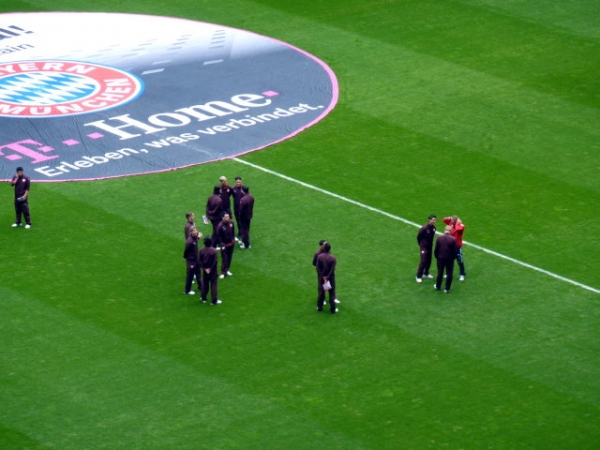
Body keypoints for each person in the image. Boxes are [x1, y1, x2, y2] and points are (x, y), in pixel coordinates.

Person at [312, 240, 340, 304]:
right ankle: (322, 299)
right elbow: (314, 263)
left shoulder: (328, 252)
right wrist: (321, 269)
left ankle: (333, 298)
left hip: (329, 273)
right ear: (321, 246)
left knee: (332, 286)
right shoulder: (317, 253)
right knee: (321, 287)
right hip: (322, 273)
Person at [434, 226, 458, 293]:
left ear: (444, 230)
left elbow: (436, 249)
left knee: (440, 272)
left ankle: (438, 286)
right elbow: (455, 251)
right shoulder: (453, 239)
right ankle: (447, 289)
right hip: (449, 259)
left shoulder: (439, 237)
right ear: (451, 231)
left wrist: (437, 256)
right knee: (449, 273)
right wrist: (453, 258)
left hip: (440, 258)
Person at [316, 242, 338, 313]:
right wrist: (327, 277)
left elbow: (318, 268)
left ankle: (319, 307)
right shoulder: (333, 258)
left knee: (321, 293)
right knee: (332, 294)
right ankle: (332, 309)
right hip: (330, 278)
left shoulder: (320, 257)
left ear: (324, 248)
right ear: (329, 249)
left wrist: (323, 277)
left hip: (321, 278)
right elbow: (332, 269)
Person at [198, 236, 221, 305]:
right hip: (213, 271)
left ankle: (203, 298)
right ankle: (214, 300)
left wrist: (205, 268)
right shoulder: (214, 251)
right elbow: (215, 261)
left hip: (205, 271)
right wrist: (210, 269)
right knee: (213, 285)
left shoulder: (201, 250)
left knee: (205, 284)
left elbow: (199, 261)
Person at [443, 215, 466, 281]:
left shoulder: (460, 225)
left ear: (456, 221)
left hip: (457, 247)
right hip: (450, 246)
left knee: (460, 261)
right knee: (449, 261)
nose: (451, 221)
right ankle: (449, 273)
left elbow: (458, 229)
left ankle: (462, 274)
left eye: (453, 220)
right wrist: (450, 218)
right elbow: (444, 220)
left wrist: (457, 223)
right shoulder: (451, 223)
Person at [416, 215, 436, 283]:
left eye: (435, 220)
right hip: (424, 246)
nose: (434, 221)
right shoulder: (424, 228)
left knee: (429, 260)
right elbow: (419, 237)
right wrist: (421, 244)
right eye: (433, 220)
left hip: (430, 246)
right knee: (423, 260)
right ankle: (418, 276)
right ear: (429, 220)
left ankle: (426, 273)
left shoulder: (434, 228)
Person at [216, 212, 236, 278]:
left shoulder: (231, 223)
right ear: (223, 218)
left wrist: (233, 239)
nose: (228, 218)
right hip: (224, 244)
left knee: (229, 257)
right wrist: (221, 244)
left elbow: (233, 232)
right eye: (226, 217)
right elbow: (218, 236)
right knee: (225, 258)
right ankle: (223, 272)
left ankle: (227, 270)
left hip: (231, 243)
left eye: (228, 217)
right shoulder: (220, 226)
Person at [183, 227, 201, 295]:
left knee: (198, 273)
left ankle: (200, 287)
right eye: (194, 231)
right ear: (191, 232)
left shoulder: (195, 238)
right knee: (190, 275)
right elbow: (186, 251)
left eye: (196, 230)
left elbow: (197, 237)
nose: (196, 232)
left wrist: (199, 236)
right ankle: (187, 290)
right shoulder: (189, 241)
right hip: (191, 260)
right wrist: (186, 257)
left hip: (196, 259)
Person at [238, 185, 254, 249]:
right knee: (247, 228)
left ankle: (246, 244)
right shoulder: (251, 197)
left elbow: (241, 210)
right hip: (249, 215)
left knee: (244, 230)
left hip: (243, 217)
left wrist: (239, 216)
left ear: (242, 190)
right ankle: (244, 241)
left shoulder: (243, 199)